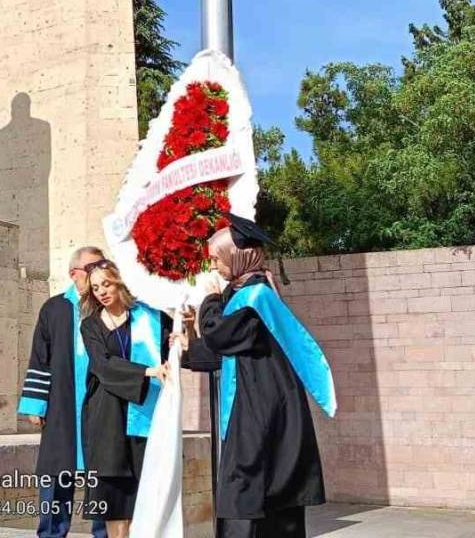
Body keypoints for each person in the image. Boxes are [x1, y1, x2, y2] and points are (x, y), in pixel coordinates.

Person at [183, 213, 334, 538]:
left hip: (261, 418)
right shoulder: (249, 293)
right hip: (262, 410)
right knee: (266, 504)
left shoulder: (255, 298)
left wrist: (208, 299)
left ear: (237, 258)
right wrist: (185, 347)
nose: (214, 269)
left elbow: (220, 334)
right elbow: (229, 351)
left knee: (247, 498)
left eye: (216, 261)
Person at [78, 260, 183, 538]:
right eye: (96, 287)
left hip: (145, 413)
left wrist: (185, 332)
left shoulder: (149, 317)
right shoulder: (90, 325)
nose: (101, 291)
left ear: (120, 281)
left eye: (107, 284)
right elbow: (102, 364)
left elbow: (176, 345)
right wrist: (147, 371)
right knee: (114, 498)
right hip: (107, 416)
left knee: (145, 489)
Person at [18, 246, 109, 538]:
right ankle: (51, 534)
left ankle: (103, 533)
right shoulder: (54, 308)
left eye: (103, 266)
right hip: (62, 405)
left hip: (100, 406)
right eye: (93, 267)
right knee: (56, 475)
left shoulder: (109, 307)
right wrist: (35, 405)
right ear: (74, 274)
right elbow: (40, 357)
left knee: (103, 478)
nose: (100, 272)